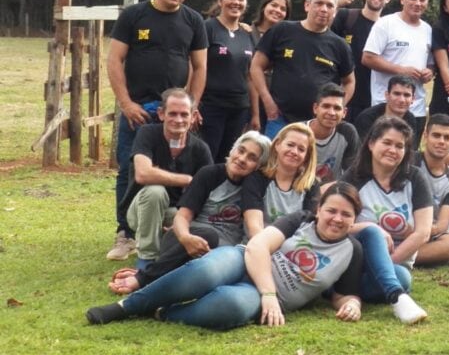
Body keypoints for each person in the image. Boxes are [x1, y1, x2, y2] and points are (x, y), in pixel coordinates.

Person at [87, 182, 367, 329]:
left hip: (259, 296)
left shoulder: (351, 250)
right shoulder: (301, 219)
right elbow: (258, 246)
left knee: (230, 306)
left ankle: (162, 312)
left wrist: (352, 304)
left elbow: (345, 293)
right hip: (246, 262)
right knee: (205, 271)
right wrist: (269, 294)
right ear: (319, 210)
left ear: (355, 218)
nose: (337, 219)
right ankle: (126, 307)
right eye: (332, 210)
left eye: (346, 214)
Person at [106, 0, 208, 261]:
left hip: (175, 110)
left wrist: (192, 106)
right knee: (129, 169)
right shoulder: (133, 15)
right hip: (138, 108)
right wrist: (126, 103)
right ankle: (125, 233)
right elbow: (114, 60)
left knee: (177, 166)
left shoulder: (193, 21)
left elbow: (200, 66)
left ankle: (170, 224)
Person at [108, 131, 271, 295]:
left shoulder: (255, 187)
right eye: (241, 151)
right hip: (185, 242)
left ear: (259, 166)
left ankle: (156, 277)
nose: (242, 159)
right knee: (209, 235)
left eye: (252, 158)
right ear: (232, 150)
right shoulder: (209, 174)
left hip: (218, 254)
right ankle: (143, 279)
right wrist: (186, 237)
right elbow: (182, 217)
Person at [344, 117, 432, 324]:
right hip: (358, 260)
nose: (393, 150)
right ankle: (396, 296)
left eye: (400, 146)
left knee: (402, 277)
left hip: (397, 263)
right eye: (387, 143)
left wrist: (384, 265)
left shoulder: (415, 178)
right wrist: (370, 227)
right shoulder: (354, 177)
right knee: (373, 232)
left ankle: (344, 291)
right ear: (372, 143)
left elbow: (423, 232)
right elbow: (337, 225)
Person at [117, 89, 214, 268]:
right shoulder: (147, 134)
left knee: (187, 225)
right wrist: (188, 180)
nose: (178, 120)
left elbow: (207, 194)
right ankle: (146, 258)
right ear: (161, 114)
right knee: (155, 191)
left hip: (174, 214)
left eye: (184, 114)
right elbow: (143, 174)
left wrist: (184, 223)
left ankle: (167, 248)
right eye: (173, 114)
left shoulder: (201, 149)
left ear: (193, 117)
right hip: (140, 210)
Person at [250, 0, 355, 138]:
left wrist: (336, 108)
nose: (324, 9)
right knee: (272, 161)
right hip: (280, 118)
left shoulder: (340, 45)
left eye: (329, 5)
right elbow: (256, 66)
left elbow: (350, 81)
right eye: (318, 3)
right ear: (307, 5)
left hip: (317, 125)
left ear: (335, 11)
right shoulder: (282, 30)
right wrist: (267, 102)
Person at [362, 0, 433, 144]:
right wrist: (401, 70)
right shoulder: (385, 24)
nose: (418, 3)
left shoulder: (428, 30)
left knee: (410, 158)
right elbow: (368, 57)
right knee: (382, 153)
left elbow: (431, 62)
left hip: (416, 109)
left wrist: (430, 71)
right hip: (385, 106)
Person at [199, 0, 257, 162]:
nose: (236, 2)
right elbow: (196, 67)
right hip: (210, 107)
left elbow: (251, 76)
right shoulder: (207, 28)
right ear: (220, 0)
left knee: (228, 159)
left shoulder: (248, 34)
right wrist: (193, 104)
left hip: (239, 109)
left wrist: (255, 114)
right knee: (207, 158)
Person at [331, 0, 392, 122]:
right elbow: (321, 36)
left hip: (374, 100)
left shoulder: (389, 28)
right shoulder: (346, 17)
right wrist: (336, 4)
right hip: (344, 96)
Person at [240, 122, 320, 229]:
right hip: (256, 243)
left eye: (301, 149)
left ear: (306, 156)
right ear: (277, 145)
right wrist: (264, 245)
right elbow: (254, 227)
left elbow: (306, 229)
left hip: (293, 245)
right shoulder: (257, 178)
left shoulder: (311, 185)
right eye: (290, 145)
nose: (294, 152)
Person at [412, 114, 449, 266]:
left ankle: (400, 257)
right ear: (425, 136)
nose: (441, 142)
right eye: (436, 136)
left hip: (424, 234)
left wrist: (420, 230)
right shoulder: (408, 161)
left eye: (447, 138)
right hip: (396, 223)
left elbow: (442, 225)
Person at [249, 0, 292, 133]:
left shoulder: (289, 40)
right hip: (245, 101)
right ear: (264, 6)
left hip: (274, 106)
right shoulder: (245, 33)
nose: (277, 10)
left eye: (282, 8)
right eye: (273, 5)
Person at [305, 83, 359, 182]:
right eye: (326, 106)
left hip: (333, 191)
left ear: (344, 113)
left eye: (337, 108)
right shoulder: (298, 132)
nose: (331, 113)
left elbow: (352, 173)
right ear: (315, 108)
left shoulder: (347, 132)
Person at [353, 75, 418, 141]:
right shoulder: (367, 118)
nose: (401, 100)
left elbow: (410, 148)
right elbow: (363, 149)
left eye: (407, 95)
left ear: (413, 99)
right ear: (387, 95)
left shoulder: (410, 119)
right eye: (397, 94)